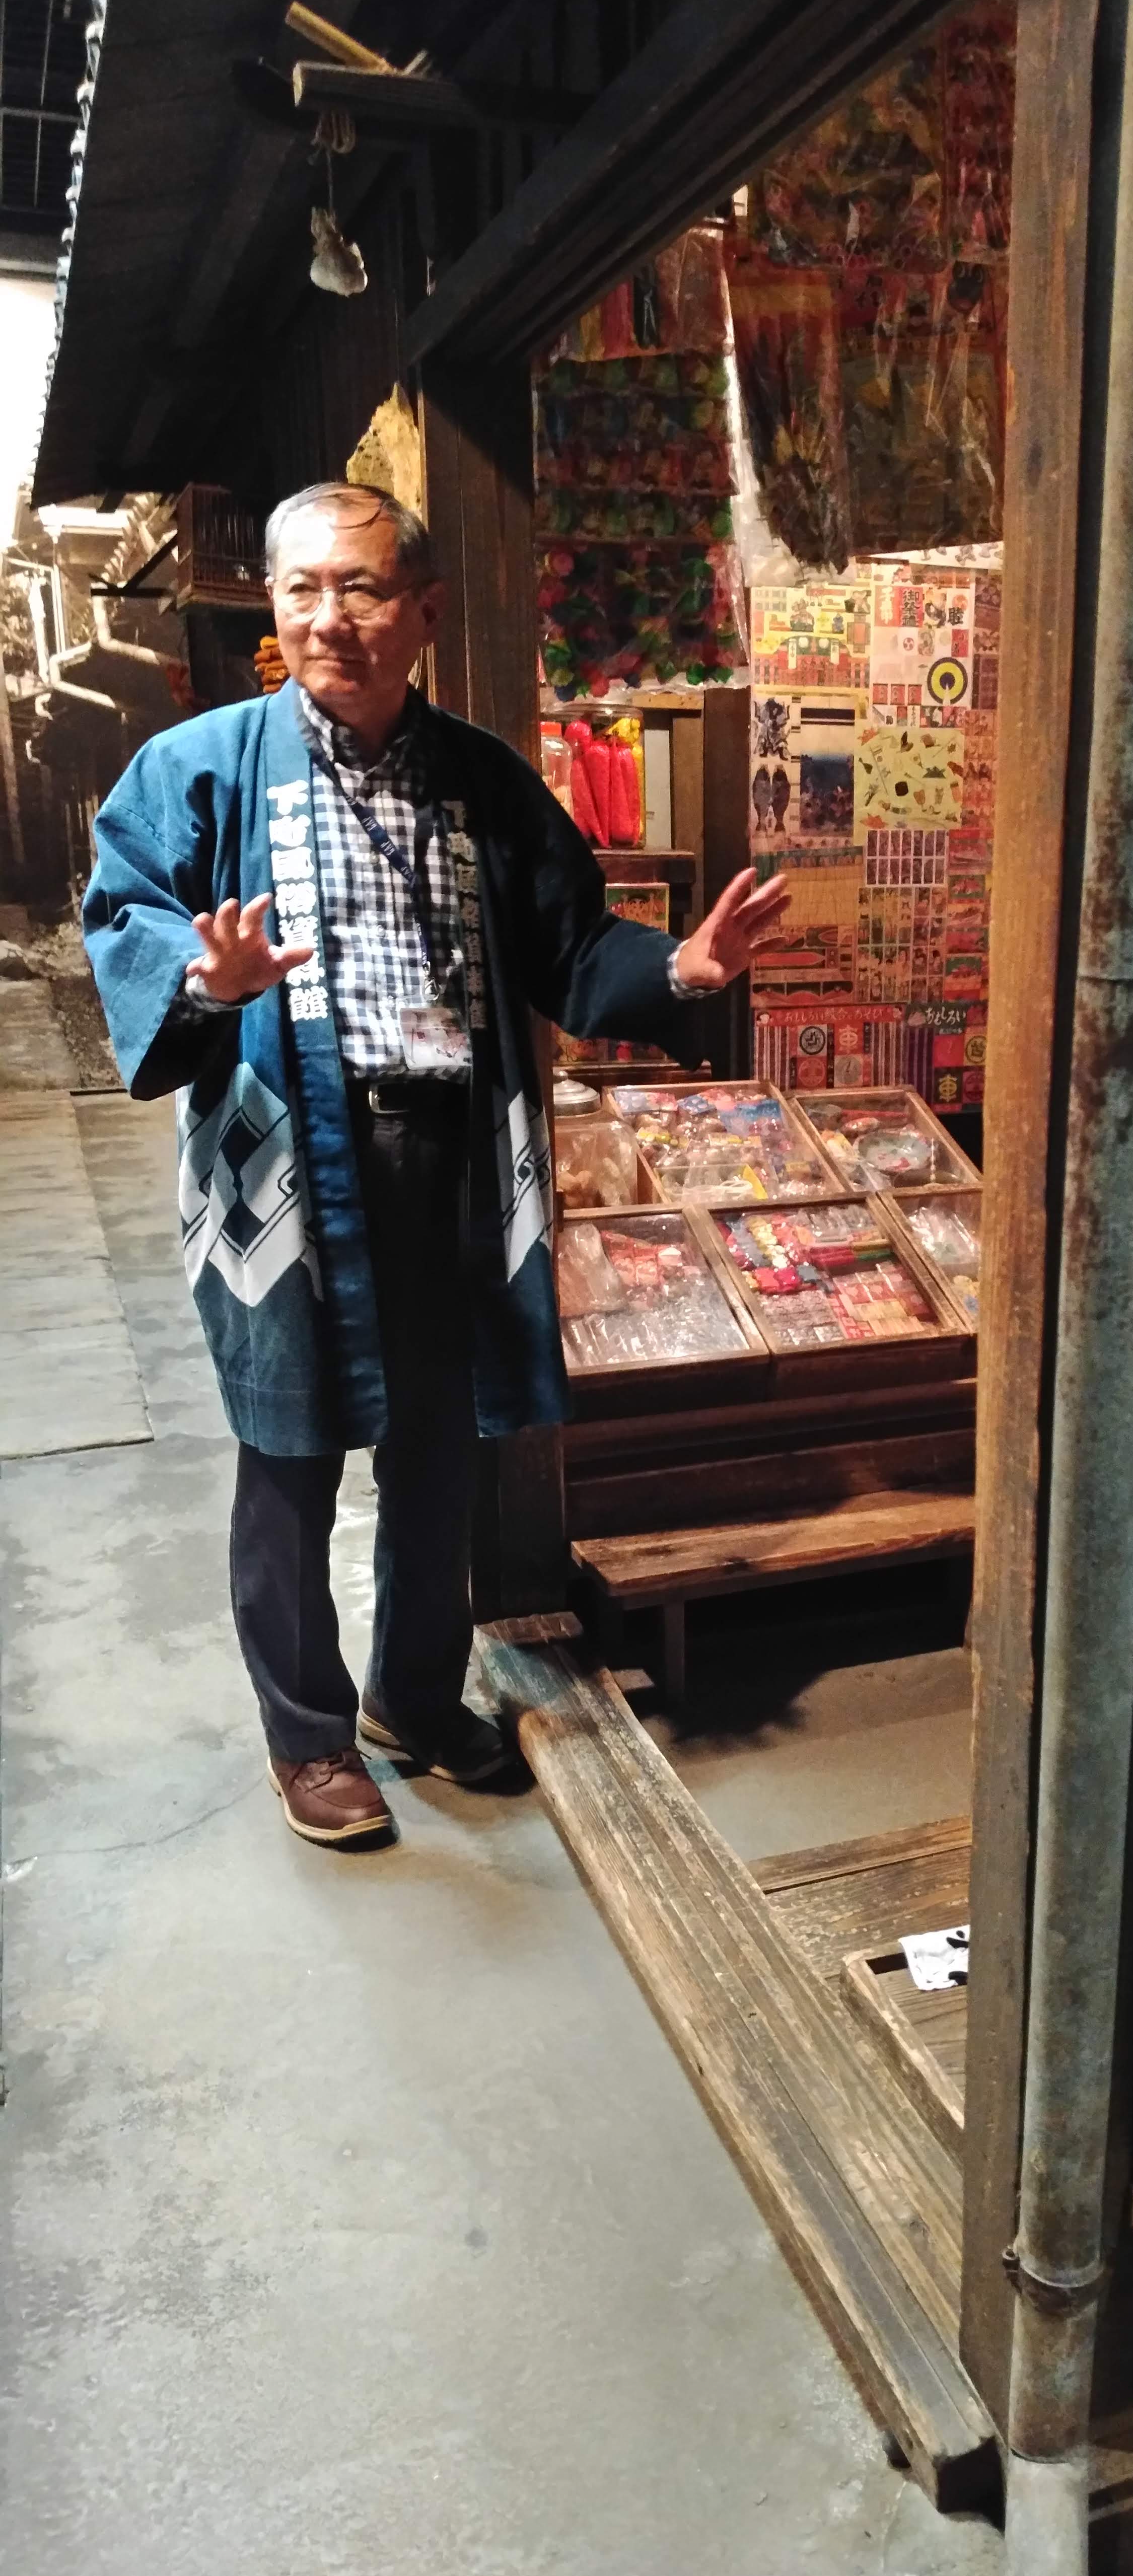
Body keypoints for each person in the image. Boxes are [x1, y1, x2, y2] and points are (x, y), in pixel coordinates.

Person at [82, 482, 786, 1848]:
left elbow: (574, 945)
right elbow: (127, 913)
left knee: (439, 1452)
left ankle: (415, 1694)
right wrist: (204, 978)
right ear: (275, 612)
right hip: (284, 1167)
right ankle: (308, 1739)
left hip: (453, 1158)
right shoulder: (202, 769)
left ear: (421, 609)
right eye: (300, 591)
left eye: (356, 588)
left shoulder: (484, 780)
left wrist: (686, 966)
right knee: (286, 1452)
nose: (327, 619)